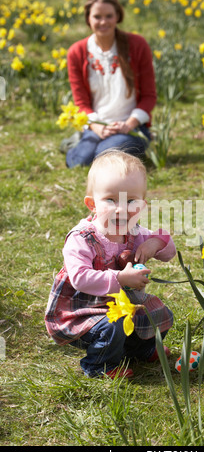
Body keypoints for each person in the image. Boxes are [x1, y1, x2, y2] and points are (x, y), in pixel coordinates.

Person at [45, 150, 176, 378]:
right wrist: (120, 279)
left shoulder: (134, 232)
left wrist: (155, 243)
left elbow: (169, 253)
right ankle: (100, 366)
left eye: (131, 200)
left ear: (142, 206)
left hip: (122, 305)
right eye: (110, 200)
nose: (121, 208)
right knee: (112, 325)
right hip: (83, 310)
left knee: (156, 312)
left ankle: (141, 349)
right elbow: (80, 278)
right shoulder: (81, 238)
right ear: (92, 204)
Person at [64, 0, 157, 168]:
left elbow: (149, 96)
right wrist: (96, 126)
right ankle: (79, 142)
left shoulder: (137, 45)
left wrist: (129, 124)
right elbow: (81, 102)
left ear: (118, 17)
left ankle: (138, 142)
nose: (103, 22)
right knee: (79, 162)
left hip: (131, 127)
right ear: (88, 19)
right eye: (97, 17)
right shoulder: (76, 52)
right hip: (98, 126)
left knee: (104, 156)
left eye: (109, 16)